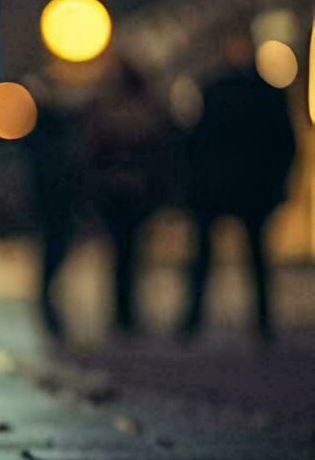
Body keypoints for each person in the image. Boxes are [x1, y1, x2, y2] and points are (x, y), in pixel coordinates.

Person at [181, 32, 297, 341]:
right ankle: (201, 320)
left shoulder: (232, 90)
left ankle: (256, 321)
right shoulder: (249, 91)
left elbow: (282, 143)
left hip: (240, 185)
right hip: (231, 185)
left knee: (249, 255)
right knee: (224, 254)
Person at [85, 58, 177, 335]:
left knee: (120, 254)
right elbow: (162, 153)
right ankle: (126, 312)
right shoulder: (148, 114)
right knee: (131, 253)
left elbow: (93, 154)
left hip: (116, 192)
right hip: (135, 192)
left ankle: (121, 312)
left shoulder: (106, 113)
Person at [23, 73, 87, 340]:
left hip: (55, 199)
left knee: (55, 252)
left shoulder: (47, 126)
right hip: (54, 199)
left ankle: (49, 304)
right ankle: (48, 305)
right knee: (53, 252)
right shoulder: (49, 128)